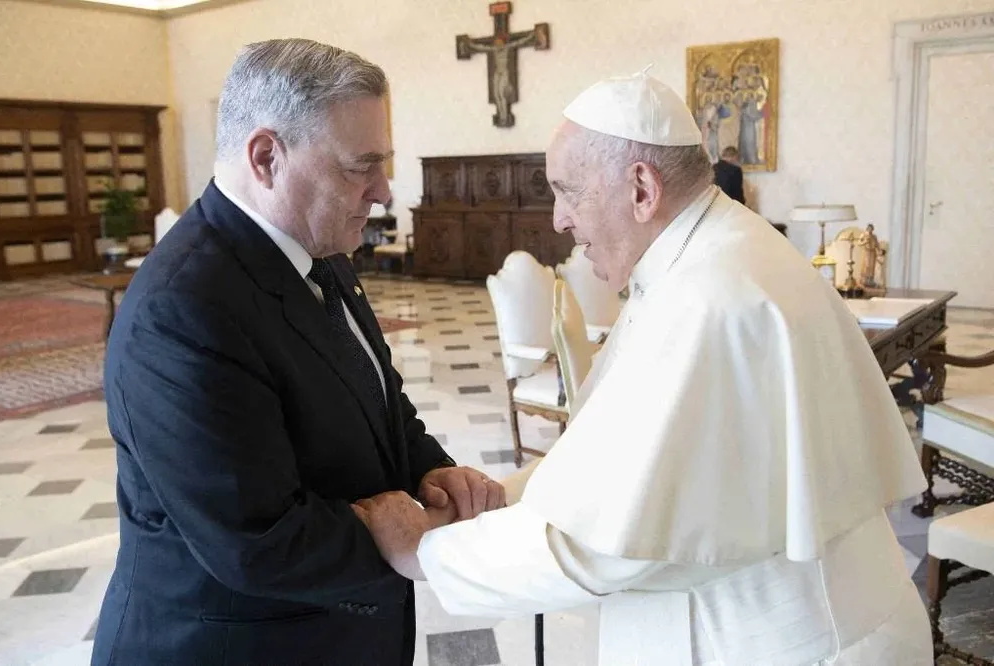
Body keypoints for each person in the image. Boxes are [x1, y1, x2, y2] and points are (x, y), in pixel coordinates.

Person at [358, 70, 933, 665]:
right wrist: (505, 499)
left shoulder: (711, 296)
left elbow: (605, 545)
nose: (558, 218)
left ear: (641, 189)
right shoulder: (707, 254)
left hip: (794, 643)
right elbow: (620, 466)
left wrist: (427, 551)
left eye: (567, 189)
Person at [91, 38, 502, 666]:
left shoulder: (321, 252)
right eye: (360, 166)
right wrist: (384, 534)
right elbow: (253, 539)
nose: (384, 192)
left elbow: (380, 399)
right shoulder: (183, 310)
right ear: (266, 157)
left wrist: (430, 471)